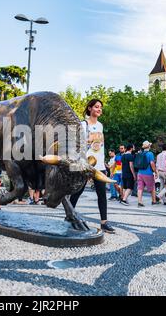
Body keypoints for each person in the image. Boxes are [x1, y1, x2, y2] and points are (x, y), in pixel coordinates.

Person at [70, 99, 115, 234]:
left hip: (99, 164)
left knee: (102, 193)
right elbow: (76, 142)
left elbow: (100, 145)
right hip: (86, 163)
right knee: (78, 190)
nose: (99, 109)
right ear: (90, 109)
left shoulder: (100, 125)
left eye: (100, 107)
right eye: (96, 107)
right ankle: (69, 216)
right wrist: (88, 140)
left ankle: (104, 222)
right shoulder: (83, 124)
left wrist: (104, 162)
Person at [137, 141, 159, 207]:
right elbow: (152, 163)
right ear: (149, 146)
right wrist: (155, 172)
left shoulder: (140, 153)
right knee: (152, 188)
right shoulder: (150, 154)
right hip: (148, 173)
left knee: (140, 188)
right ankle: (154, 201)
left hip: (140, 173)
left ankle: (139, 202)